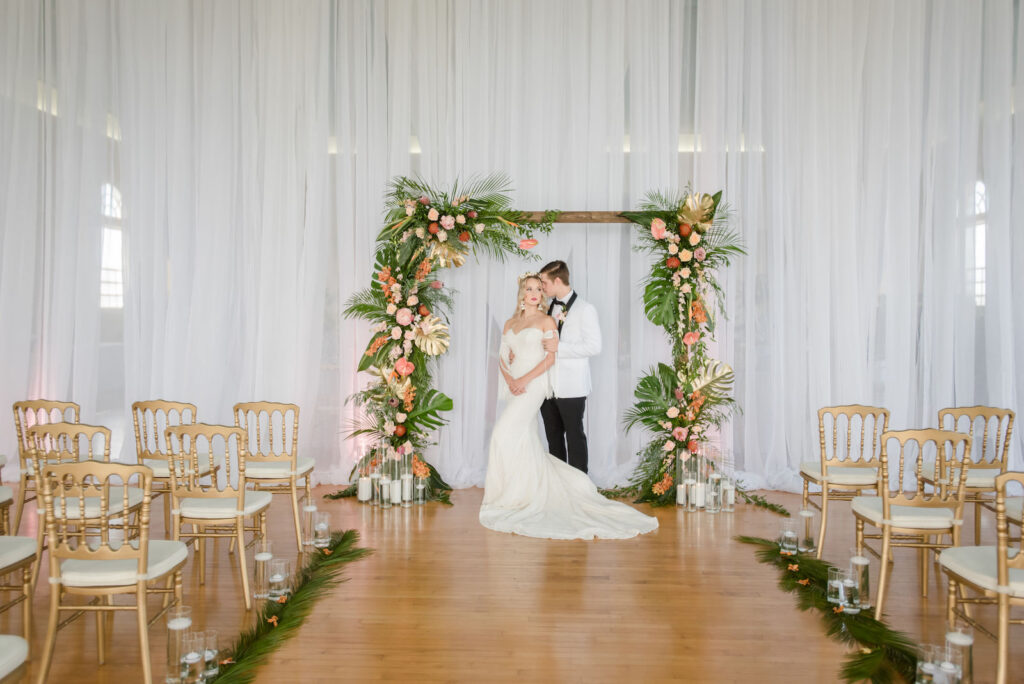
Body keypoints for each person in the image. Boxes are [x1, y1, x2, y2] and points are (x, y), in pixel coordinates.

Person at [478, 272, 658, 540]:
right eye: (529, 289)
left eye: (539, 288)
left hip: (534, 384)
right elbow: (503, 357)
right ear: (521, 293)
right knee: (521, 438)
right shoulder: (509, 323)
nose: (535, 293)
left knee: (503, 435)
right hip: (515, 385)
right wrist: (510, 379)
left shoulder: (547, 319)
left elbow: (550, 359)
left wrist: (524, 380)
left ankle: (525, 492)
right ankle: (517, 492)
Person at [537, 260, 599, 473]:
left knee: (574, 436)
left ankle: (580, 488)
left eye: (544, 283)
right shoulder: (546, 307)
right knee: (553, 438)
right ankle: (559, 486)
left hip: (572, 386)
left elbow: (594, 346)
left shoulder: (585, 309)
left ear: (556, 280)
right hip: (547, 386)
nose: (541, 287)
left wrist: (559, 348)